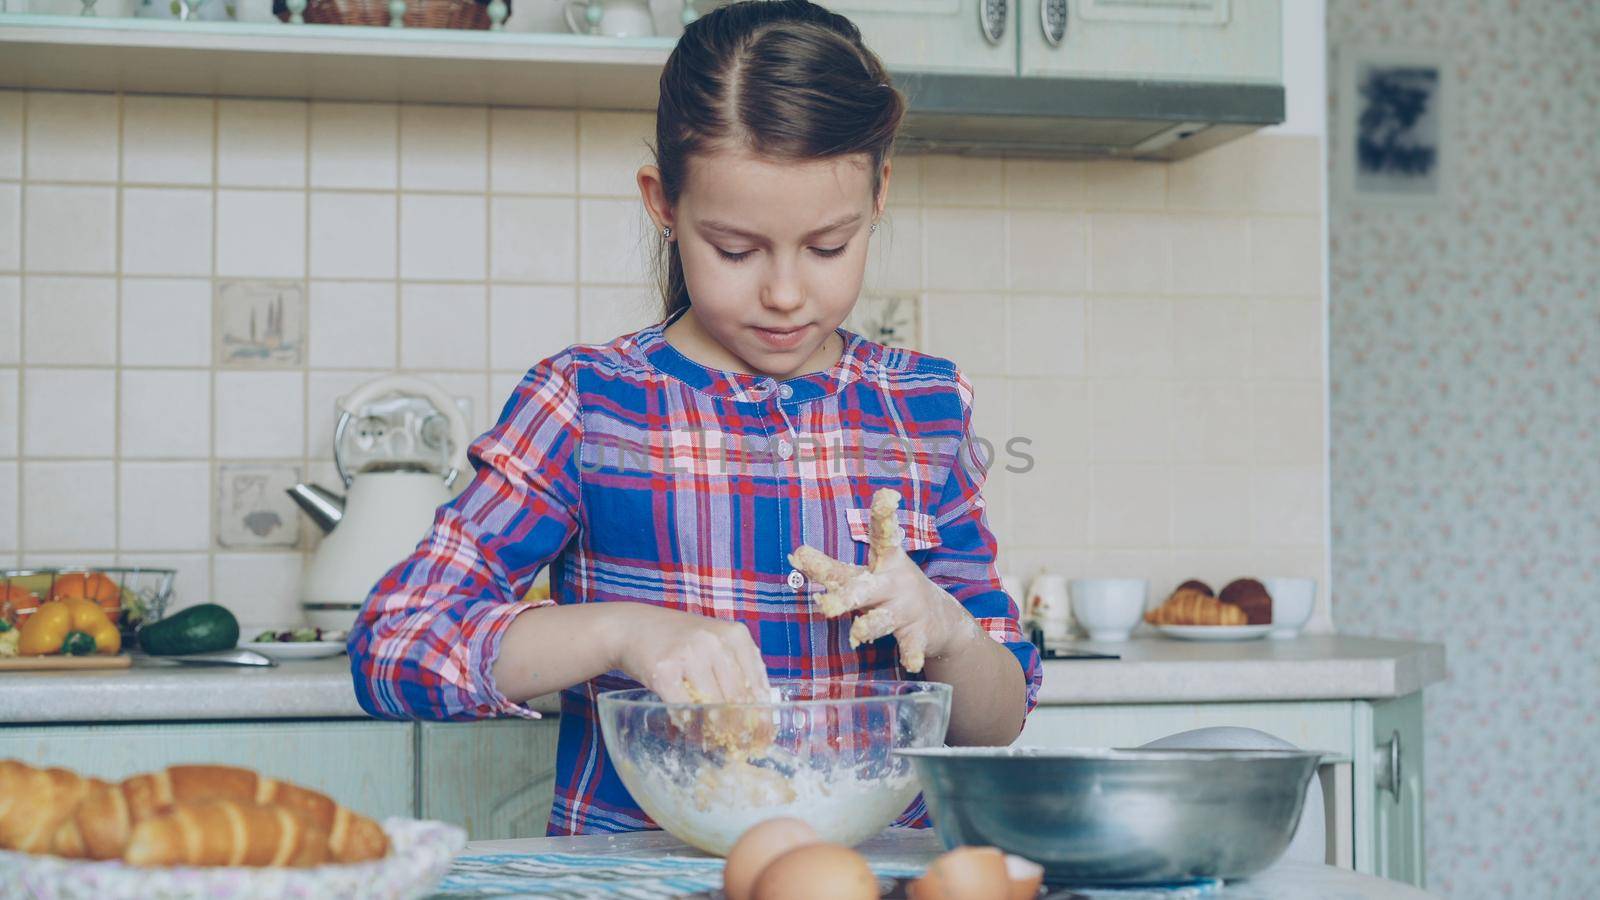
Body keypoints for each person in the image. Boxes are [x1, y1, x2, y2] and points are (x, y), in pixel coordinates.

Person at [349, 0, 1042, 837]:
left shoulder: (923, 407)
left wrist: (953, 633)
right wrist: (618, 633)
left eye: (829, 247)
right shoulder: (589, 404)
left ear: (880, 194)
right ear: (664, 205)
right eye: (737, 250)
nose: (785, 292)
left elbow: (999, 719)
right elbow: (395, 645)